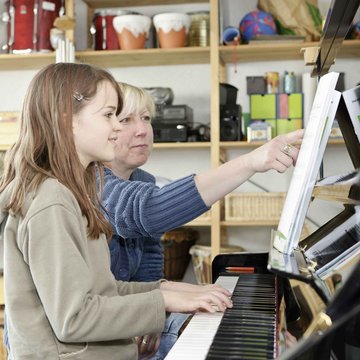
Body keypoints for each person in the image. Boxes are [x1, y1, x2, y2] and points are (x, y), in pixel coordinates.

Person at [0, 63, 234, 360]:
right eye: (109, 115)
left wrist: (173, 292)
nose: (117, 127)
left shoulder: (71, 191)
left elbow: (102, 293)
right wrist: (162, 301)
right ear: (67, 120)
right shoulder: (51, 201)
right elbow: (75, 319)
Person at [102, 83, 304, 357]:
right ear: (102, 128)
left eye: (146, 118)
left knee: (241, 328)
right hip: (103, 333)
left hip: (134, 319)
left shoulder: (142, 181)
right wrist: (251, 162)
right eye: (126, 120)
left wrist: (163, 307)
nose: (142, 130)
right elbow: (149, 210)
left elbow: (148, 273)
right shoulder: (92, 180)